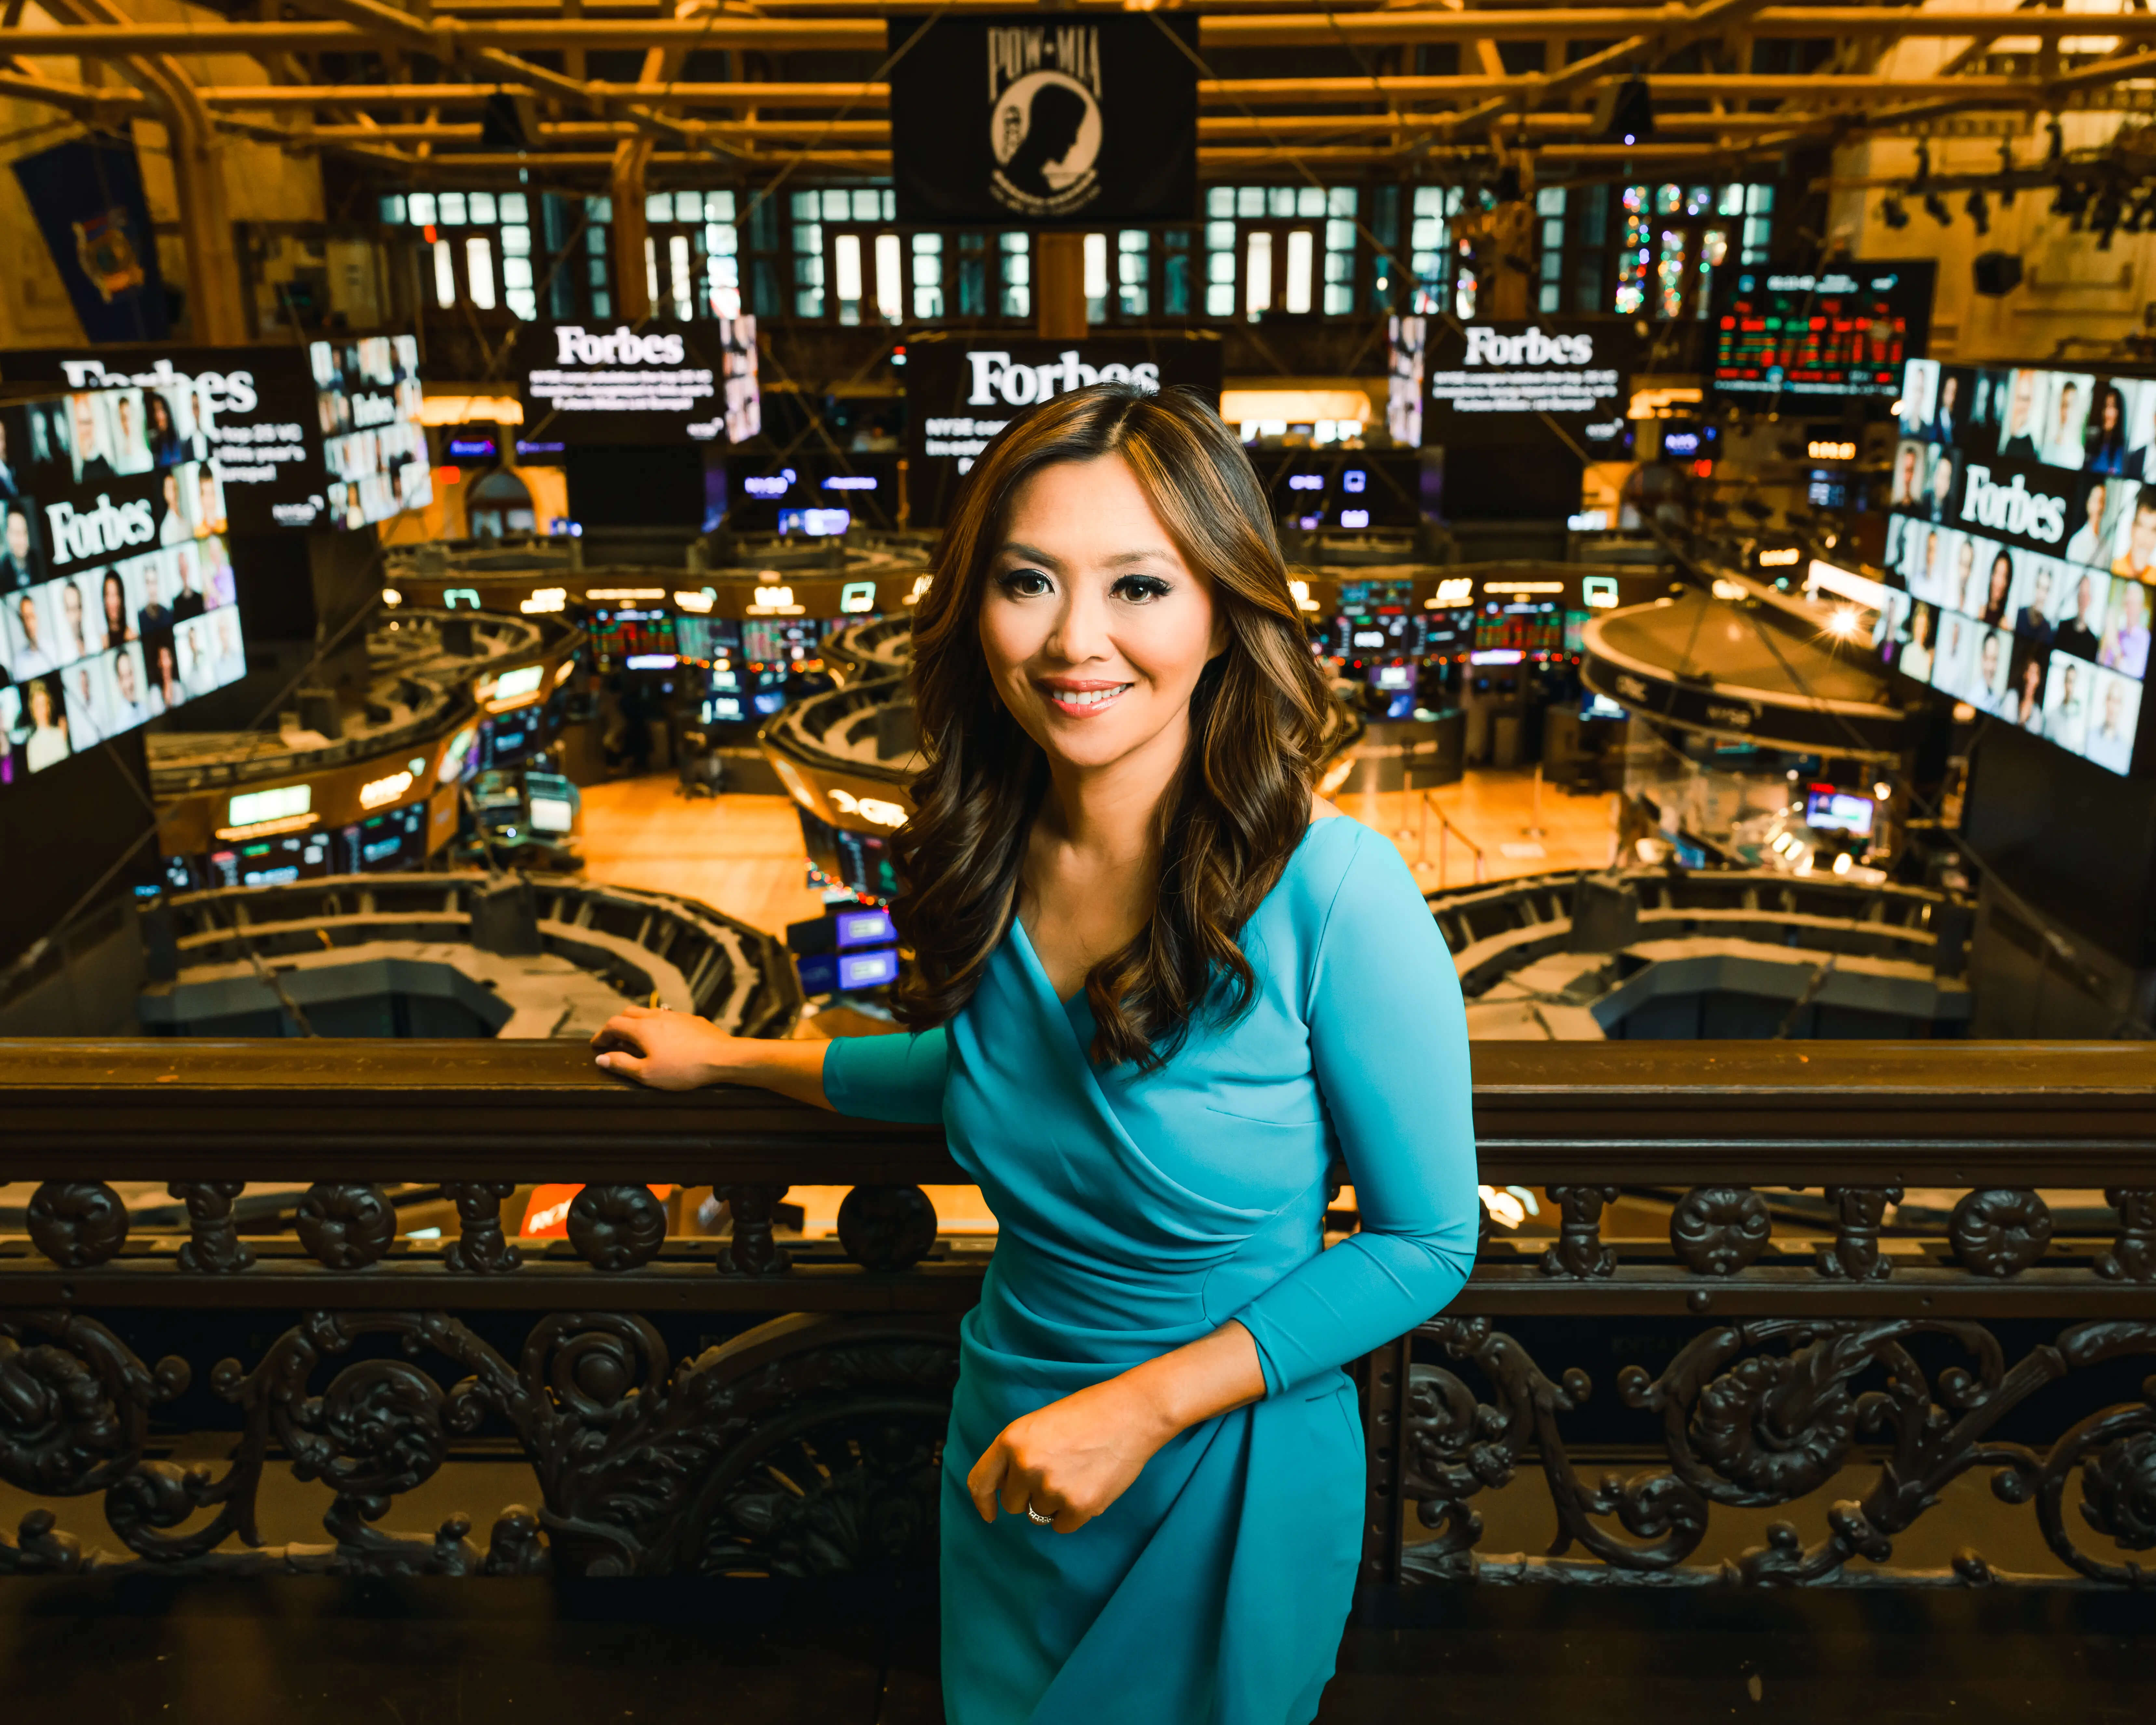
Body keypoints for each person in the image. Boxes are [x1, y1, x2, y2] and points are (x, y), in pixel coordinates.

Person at [590, 383, 1480, 1725]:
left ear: (1223, 611)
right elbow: (977, 1074)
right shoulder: (991, 864)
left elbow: (1429, 1243)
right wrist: (727, 1061)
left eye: (1138, 587)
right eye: (1027, 582)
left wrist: (1136, 1412)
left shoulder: (1337, 890)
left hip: (1220, 1460)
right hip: (1008, 1437)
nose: (1076, 641)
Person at [2100, 578, 2151, 679]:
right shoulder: (2118, 634)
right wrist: (2106, 641)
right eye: (2127, 603)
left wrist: (2114, 645)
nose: (2130, 609)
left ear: (2141, 607)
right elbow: (2102, 665)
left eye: (2134, 604)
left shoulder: (2145, 638)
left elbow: (2135, 673)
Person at [2087, 383, 2136, 476]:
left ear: (2119, 412)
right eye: (2105, 406)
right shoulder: (2093, 442)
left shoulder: (2123, 452)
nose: (2106, 413)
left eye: (2111, 407)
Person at [67, 393, 116, 484]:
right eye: (81, 423)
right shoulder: (72, 463)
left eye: (88, 422)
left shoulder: (103, 463)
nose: (85, 429)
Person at [21, 675, 68, 770]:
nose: (43, 710)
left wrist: (64, 739)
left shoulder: (59, 733)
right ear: (33, 710)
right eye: (39, 706)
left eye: (45, 704)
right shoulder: (33, 744)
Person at [2056, 570, 2104, 660]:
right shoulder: (2062, 627)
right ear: (2077, 597)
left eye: (2086, 596)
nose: (2083, 601)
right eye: (2081, 595)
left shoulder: (2093, 642)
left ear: (2090, 599)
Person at [2067, 479, 2110, 568]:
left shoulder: (2106, 545)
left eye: (2102, 501)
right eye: (2096, 500)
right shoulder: (2077, 542)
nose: (2099, 507)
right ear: (2088, 504)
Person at [10, 591, 54, 679]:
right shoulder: (18, 662)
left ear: (37, 617)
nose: (28, 624)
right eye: (24, 619)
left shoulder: (53, 649)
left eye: (31, 617)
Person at [1999, 369, 2040, 460]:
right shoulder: (2002, 433)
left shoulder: (2031, 444)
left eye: (2026, 399)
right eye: (2019, 398)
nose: (2023, 405)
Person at [2115, 493, 2156, 580]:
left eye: (2153, 531)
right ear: (2132, 529)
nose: (2145, 540)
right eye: (2142, 526)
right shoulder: (2113, 567)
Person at [108, 646, 149, 730]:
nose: (129, 684)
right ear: (119, 683)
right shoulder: (120, 726)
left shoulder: (145, 708)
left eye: (130, 674)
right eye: (124, 677)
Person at [1, 507, 41, 591]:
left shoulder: (39, 562)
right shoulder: (2, 569)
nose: (21, 540)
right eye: (16, 533)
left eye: (25, 532)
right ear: (8, 535)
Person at [55, 575, 92, 665]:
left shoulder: (94, 642)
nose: (77, 615)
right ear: (65, 612)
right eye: (71, 609)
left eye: (79, 607)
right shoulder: (63, 656)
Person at [143, 390, 185, 467]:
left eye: (160, 409)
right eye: (155, 411)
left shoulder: (178, 438)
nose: (158, 415)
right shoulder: (153, 441)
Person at [100, 568, 137, 648]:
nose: (114, 602)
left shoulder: (133, 637)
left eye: (117, 595)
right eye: (109, 595)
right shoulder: (103, 642)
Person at [1978, 548, 2014, 627]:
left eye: (2004, 576)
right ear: (1992, 575)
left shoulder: (2006, 625)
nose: (1999, 582)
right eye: (1997, 573)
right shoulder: (1980, 612)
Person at [1932, 371, 1962, 445]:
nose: (1952, 397)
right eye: (1948, 391)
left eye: (1954, 392)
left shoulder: (1957, 420)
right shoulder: (1934, 419)